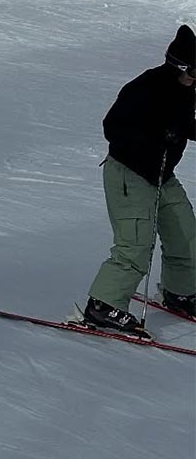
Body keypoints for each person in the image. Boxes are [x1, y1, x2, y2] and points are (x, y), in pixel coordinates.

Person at [82, 25, 196, 333]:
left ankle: (179, 292)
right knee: (136, 243)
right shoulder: (145, 87)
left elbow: (187, 125)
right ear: (179, 66)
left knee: (186, 233)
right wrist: (155, 137)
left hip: (162, 175)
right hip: (128, 173)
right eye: (194, 73)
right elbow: (113, 126)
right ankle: (103, 305)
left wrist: (179, 131)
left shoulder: (186, 90)